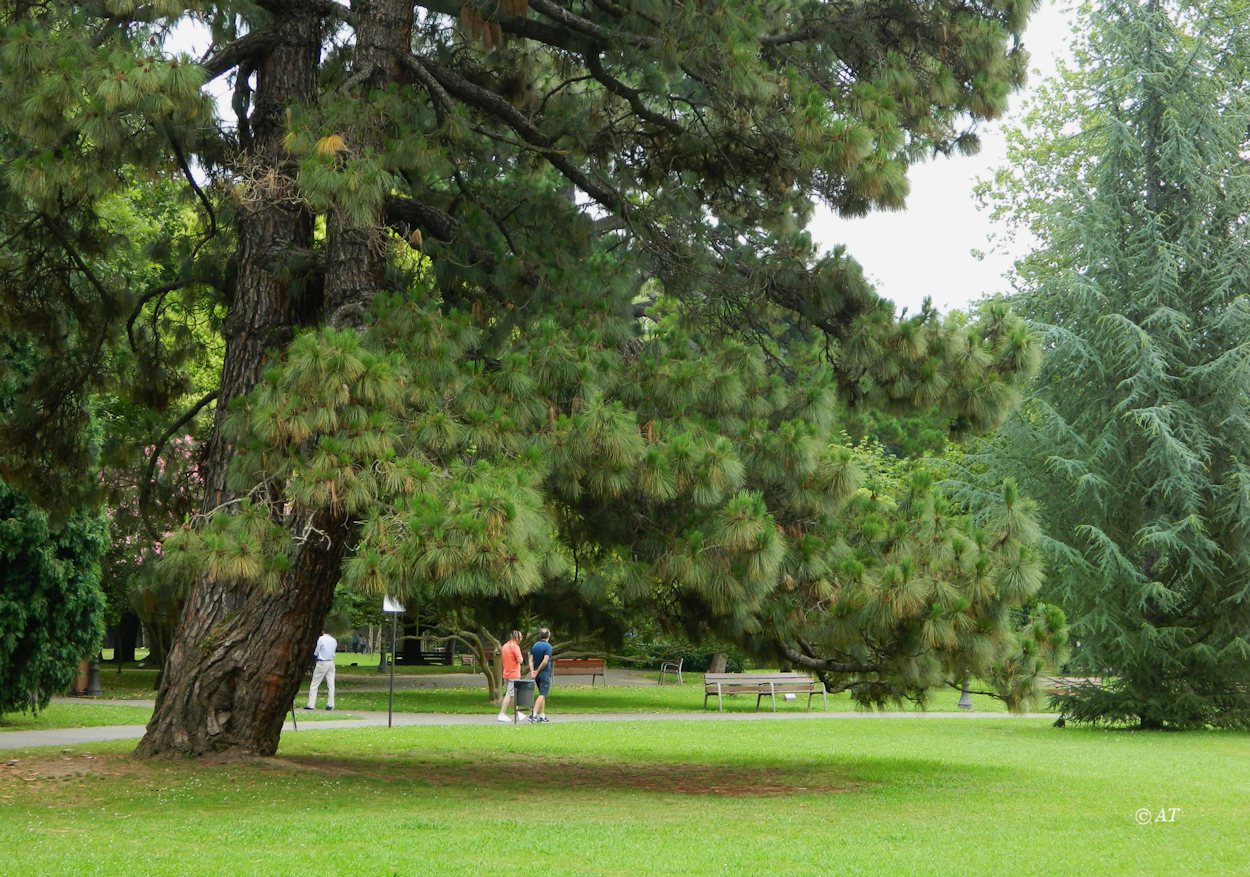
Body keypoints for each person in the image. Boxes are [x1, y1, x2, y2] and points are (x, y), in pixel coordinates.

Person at [497, 629, 526, 723]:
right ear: (516, 637)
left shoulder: (505, 646)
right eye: (520, 637)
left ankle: (517, 713)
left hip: (507, 672)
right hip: (513, 673)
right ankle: (502, 714)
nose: (521, 638)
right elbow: (520, 660)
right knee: (509, 694)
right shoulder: (515, 647)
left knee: (513, 694)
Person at [305, 628, 337, 711]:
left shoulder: (321, 639)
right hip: (331, 662)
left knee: (314, 683)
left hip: (322, 662)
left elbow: (316, 652)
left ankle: (311, 704)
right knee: (331, 684)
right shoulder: (334, 640)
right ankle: (330, 704)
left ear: (322, 631)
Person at [528, 628, 553, 723]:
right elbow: (545, 661)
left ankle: (542, 716)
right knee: (543, 694)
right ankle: (533, 714)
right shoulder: (548, 646)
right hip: (544, 672)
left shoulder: (535, 645)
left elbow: (531, 660)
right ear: (548, 636)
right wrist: (537, 671)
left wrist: (532, 671)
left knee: (542, 693)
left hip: (536, 674)